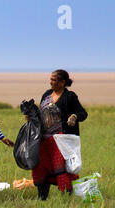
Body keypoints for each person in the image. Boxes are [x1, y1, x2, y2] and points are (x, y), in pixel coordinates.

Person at [29, 69, 88, 200]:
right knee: (41, 166)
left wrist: (74, 116)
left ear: (62, 82)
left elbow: (83, 113)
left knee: (60, 167)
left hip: (61, 140)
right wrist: (30, 117)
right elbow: (40, 114)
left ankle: (66, 197)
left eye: (54, 80)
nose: (51, 82)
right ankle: (42, 197)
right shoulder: (46, 94)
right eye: (50, 79)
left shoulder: (70, 96)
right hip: (44, 139)